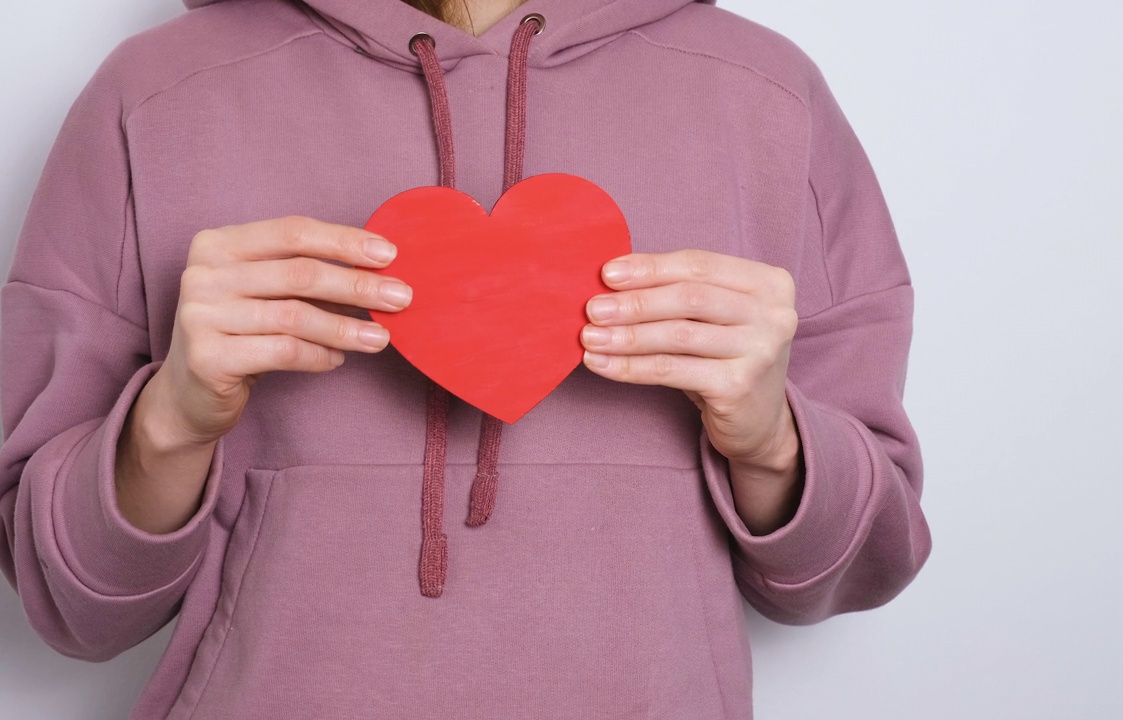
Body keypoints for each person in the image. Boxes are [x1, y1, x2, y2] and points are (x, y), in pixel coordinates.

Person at [0, 0, 931, 717]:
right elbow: (73, 607)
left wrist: (772, 444)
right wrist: (166, 427)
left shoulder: (764, 93)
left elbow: (863, 565)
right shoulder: (156, 93)